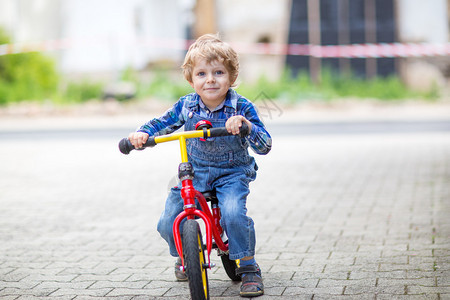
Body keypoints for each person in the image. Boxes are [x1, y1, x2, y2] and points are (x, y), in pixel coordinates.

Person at [128, 33, 272, 297]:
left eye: (218, 72)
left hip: (232, 172)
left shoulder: (241, 106)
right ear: (191, 79)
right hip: (193, 174)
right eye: (202, 74)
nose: (211, 80)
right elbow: (160, 124)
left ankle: (249, 267)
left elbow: (265, 144)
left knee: (232, 213)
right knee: (167, 220)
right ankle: (187, 254)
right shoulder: (186, 106)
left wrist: (245, 126)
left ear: (231, 77)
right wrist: (141, 135)